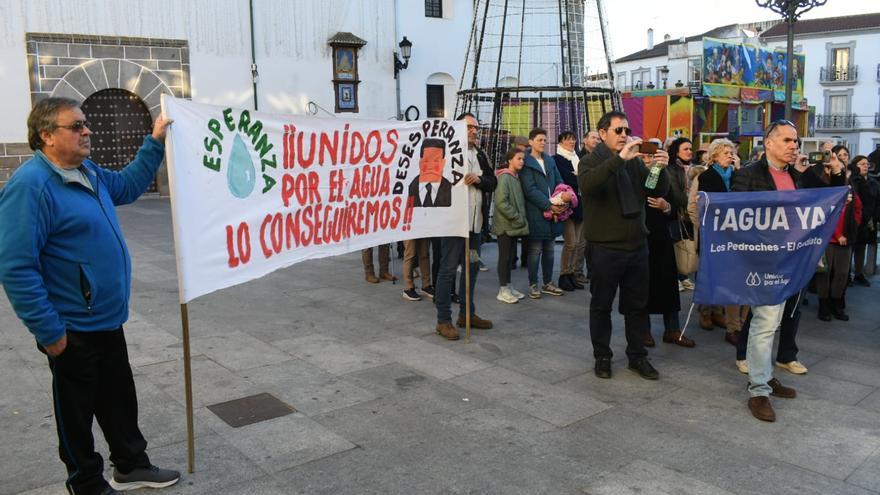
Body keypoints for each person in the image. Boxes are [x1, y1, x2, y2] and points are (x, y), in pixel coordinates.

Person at [0, 97, 180, 494]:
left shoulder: (89, 172)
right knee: (76, 411)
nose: (87, 131)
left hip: (105, 316)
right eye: (76, 126)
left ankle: (131, 465)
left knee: (118, 397)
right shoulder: (31, 187)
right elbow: (15, 266)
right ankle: (85, 481)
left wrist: (154, 141)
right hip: (70, 325)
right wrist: (50, 332)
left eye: (85, 124)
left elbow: (130, 186)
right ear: (46, 135)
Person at [731, 119, 845, 422]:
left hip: (794, 263)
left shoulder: (800, 176)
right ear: (768, 142)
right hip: (764, 262)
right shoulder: (746, 176)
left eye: (795, 140)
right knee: (766, 323)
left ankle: (765, 376)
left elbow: (832, 199)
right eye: (786, 140)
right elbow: (738, 220)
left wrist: (834, 170)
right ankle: (758, 390)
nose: (793, 145)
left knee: (775, 320)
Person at [578, 110, 670, 380]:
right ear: (603, 132)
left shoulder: (633, 162)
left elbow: (652, 189)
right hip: (605, 247)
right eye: (618, 131)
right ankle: (602, 356)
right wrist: (619, 159)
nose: (624, 136)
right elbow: (590, 186)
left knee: (637, 306)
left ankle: (637, 356)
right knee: (601, 305)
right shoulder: (590, 161)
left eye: (627, 131)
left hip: (636, 245)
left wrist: (657, 169)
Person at [433, 112, 497, 340]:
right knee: (448, 270)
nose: (474, 132)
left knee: (471, 270)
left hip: (474, 226)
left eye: (476, 128)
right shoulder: (446, 153)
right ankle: (443, 319)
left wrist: (480, 180)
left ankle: (467, 314)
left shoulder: (480, 154)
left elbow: (493, 182)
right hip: (452, 226)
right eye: (469, 127)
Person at [694, 139, 748, 346]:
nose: (730, 155)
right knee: (716, 277)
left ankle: (735, 323)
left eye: (732, 152)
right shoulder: (707, 176)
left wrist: (739, 172)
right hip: (716, 236)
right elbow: (703, 206)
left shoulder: (735, 176)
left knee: (734, 280)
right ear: (714, 155)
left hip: (735, 236)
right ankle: (711, 313)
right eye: (726, 152)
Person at [521, 128, 565, 299]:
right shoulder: (526, 161)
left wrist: (561, 199)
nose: (543, 143)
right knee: (535, 250)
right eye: (539, 140)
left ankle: (547, 283)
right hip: (536, 212)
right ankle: (533, 284)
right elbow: (529, 189)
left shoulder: (549, 160)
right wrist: (548, 205)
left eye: (545, 140)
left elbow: (559, 181)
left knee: (550, 249)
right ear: (531, 142)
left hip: (554, 212)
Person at [816, 185, 861, 320]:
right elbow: (825, 217)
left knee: (842, 274)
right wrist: (838, 235)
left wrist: (851, 230)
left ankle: (836, 305)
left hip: (846, 240)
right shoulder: (827, 192)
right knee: (824, 273)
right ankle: (823, 307)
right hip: (827, 240)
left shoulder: (852, 192)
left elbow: (858, 210)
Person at [492, 148, 529, 304]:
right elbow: (501, 202)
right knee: (504, 258)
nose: (521, 161)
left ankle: (508, 286)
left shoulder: (515, 177)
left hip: (512, 225)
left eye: (522, 159)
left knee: (509, 258)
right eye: (518, 158)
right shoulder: (505, 178)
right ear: (510, 160)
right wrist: (517, 217)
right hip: (506, 225)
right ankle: (503, 290)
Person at [553, 131, 586, 291]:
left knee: (579, 243)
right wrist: (578, 177)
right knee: (571, 243)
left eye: (573, 139)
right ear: (560, 142)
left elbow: (582, 179)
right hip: (567, 207)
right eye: (567, 139)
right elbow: (567, 179)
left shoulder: (577, 158)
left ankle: (572, 274)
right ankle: (564, 275)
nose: (571, 142)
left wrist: (578, 177)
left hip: (580, 205)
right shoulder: (557, 159)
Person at [666, 138, 695, 291]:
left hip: (689, 214)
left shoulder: (694, 168)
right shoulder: (671, 168)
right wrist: (691, 204)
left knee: (685, 244)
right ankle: (674, 278)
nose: (689, 151)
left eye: (691, 149)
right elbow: (676, 193)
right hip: (676, 213)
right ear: (676, 151)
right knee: (676, 246)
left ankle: (683, 277)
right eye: (685, 149)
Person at [850, 155, 880, 286]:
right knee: (850, 247)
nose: (866, 166)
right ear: (855, 166)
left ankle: (858, 274)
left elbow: (877, 201)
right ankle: (846, 275)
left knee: (862, 247)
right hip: (853, 219)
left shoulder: (874, 183)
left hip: (868, 220)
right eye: (862, 164)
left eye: (867, 164)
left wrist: (876, 218)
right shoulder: (852, 180)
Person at [408, 138, 452, 207]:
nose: (431, 166)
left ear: (443, 163)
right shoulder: (409, 188)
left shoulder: (452, 189)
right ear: (420, 163)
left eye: (436, 161)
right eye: (426, 161)